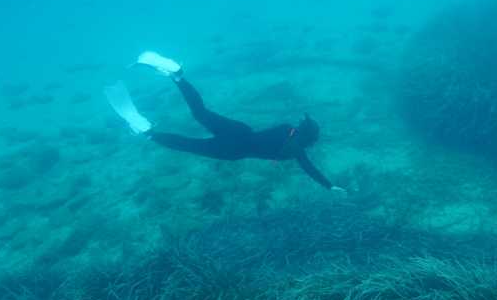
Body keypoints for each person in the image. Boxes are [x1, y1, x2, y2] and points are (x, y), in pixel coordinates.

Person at [106, 51, 345, 193]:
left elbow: (276, 138)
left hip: (240, 131)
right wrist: (329, 186)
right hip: (234, 150)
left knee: (200, 112)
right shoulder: (296, 151)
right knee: (188, 145)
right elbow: (309, 168)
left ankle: (178, 77)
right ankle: (149, 133)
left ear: (301, 128)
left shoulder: (287, 129)